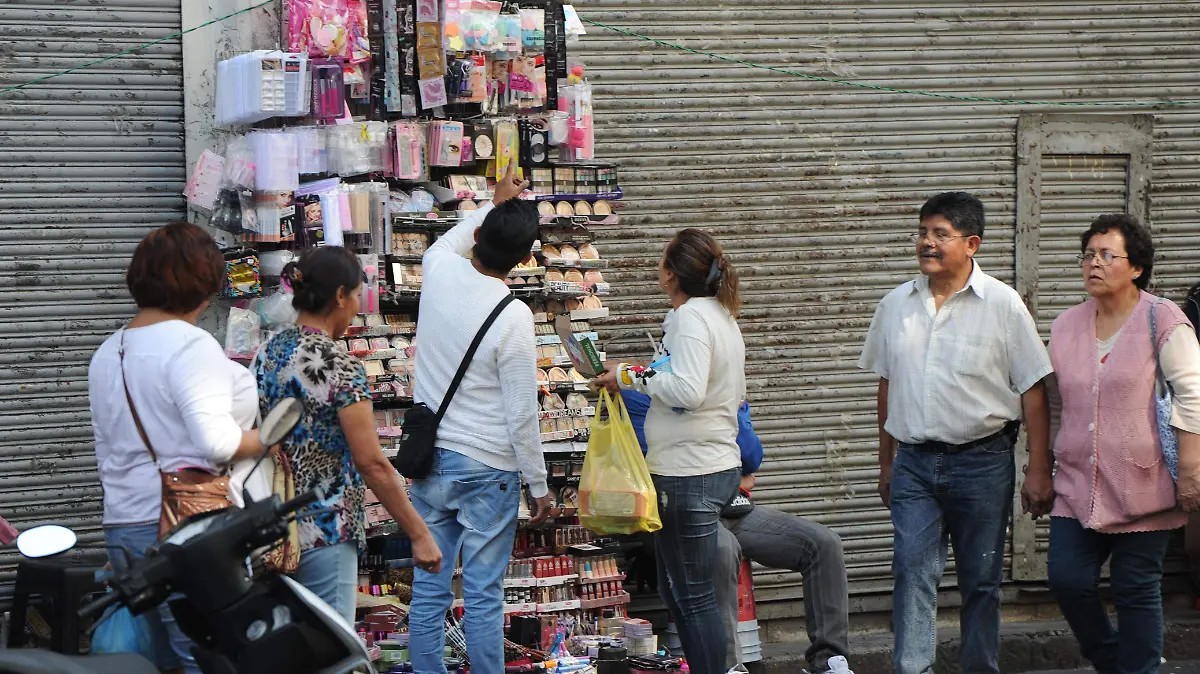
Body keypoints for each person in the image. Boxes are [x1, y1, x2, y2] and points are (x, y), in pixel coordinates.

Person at [858, 192, 1053, 674]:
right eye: (923, 232)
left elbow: (1033, 390)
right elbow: (887, 388)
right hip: (915, 466)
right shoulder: (895, 306)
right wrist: (887, 463)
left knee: (981, 580)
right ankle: (912, 669)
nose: (926, 242)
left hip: (982, 462)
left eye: (939, 234)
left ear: (972, 244)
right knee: (911, 573)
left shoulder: (1004, 306)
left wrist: (1038, 470)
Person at [89, 222, 268, 674]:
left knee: (158, 660)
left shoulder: (109, 351)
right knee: (210, 657)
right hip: (186, 530)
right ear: (203, 283)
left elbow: (106, 447)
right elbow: (219, 443)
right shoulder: (191, 347)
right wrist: (266, 439)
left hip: (124, 524)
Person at [406, 169, 551, 674]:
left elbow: (451, 238)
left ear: (481, 236)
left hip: (431, 461)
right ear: (524, 259)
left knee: (429, 590)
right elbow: (520, 413)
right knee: (485, 596)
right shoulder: (513, 316)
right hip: (488, 467)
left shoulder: (439, 268)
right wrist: (538, 485)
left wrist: (493, 203)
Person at [1044, 213, 1200, 674]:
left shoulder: (1163, 318)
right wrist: (1041, 464)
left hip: (1145, 480)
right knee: (1067, 579)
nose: (1093, 263)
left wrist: (1191, 469)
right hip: (1076, 483)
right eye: (1088, 254)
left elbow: (1192, 395)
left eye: (1106, 255)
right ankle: (1115, 662)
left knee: (1135, 587)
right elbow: (1056, 400)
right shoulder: (1067, 325)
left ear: (1135, 268)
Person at [253, 246, 442, 624]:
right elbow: (370, 461)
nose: (357, 305)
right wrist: (418, 533)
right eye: (356, 295)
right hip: (326, 527)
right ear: (340, 295)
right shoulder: (339, 365)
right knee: (330, 648)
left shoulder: (267, 351)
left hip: (272, 528)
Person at [594, 228, 746, 674]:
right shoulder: (717, 315)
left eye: (662, 261)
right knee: (674, 586)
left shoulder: (692, 318)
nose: (657, 268)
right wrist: (631, 373)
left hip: (690, 473)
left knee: (693, 596)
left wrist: (627, 377)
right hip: (705, 466)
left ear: (672, 275)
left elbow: (687, 390)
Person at [623, 390, 854, 674]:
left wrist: (730, 419)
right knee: (721, 549)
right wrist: (724, 460)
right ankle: (728, 667)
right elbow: (654, 460)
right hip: (680, 515)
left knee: (823, 543)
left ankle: (828, 662)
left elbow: (751, 456)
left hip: (735, 508)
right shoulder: (641, 397)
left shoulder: (725, 393)